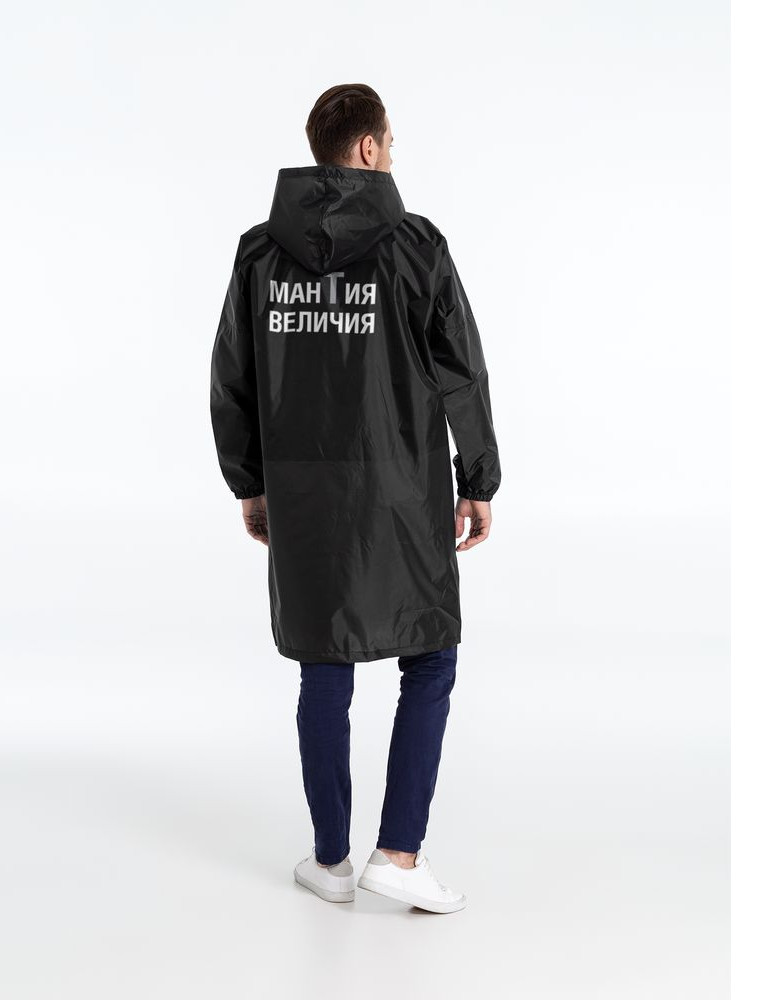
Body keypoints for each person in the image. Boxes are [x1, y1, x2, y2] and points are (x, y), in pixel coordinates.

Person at [210, 84, 501, 913]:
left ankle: (332, 861)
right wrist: (478, 477)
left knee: (324, 658)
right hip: (403, 486)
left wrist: (250, 481)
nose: (392, 155)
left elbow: (232, 377)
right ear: (369, 149)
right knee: (430, 656)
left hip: (303, 492)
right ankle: (398, 856)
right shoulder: (416, 246)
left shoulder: (259, 254)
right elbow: (461, 370)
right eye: (391, 143)